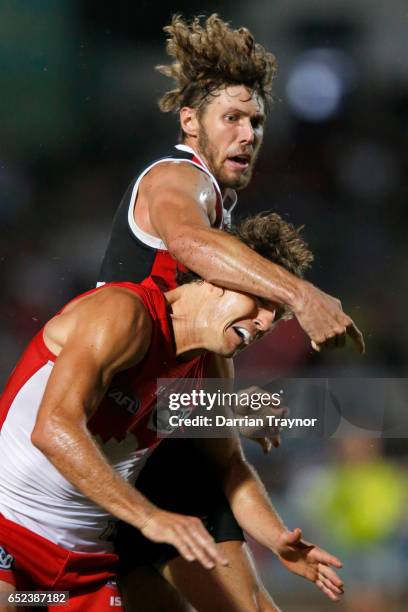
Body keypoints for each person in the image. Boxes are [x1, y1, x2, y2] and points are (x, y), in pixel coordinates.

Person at [97, 14, 360, 610]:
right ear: (190, 122)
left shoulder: (219, 236)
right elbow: (189, 246)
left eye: (257, 121)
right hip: (101, 445)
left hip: (146, 441)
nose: (248, 134)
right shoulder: (179, 180)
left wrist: (231, 405)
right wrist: (302, 294)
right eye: (233, 118)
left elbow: (196, 419)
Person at [0, 214, 344, 611]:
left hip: (85, 569)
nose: (266, 323)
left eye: (277, 315)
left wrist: (277, 538)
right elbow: (53, 428)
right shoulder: (123, 313)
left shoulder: (208, 366)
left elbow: (229, 464)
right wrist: (150, 518)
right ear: (218, 277)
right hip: (10, 537)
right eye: (262, 302)